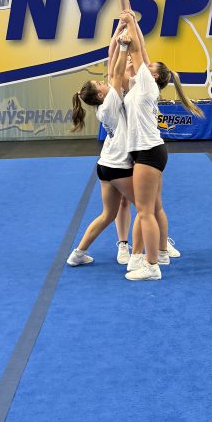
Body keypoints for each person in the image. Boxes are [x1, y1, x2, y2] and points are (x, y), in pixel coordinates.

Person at [67, 21, 170, 274]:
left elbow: (110, 64)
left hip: (104, 165)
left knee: (108, 214)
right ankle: (150, 257)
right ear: (101, 94)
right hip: (119, 166)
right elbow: (115, 69)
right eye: (99, 84)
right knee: (147, 211)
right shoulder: (112, 100)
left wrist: (117, 34)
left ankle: (78, 253)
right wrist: (124, 46)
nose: (104, 82)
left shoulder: (103, 106)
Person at [118, 11, 203, 281]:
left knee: (144, 212)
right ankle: (162, 252)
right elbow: (138, 51)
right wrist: (130, 24)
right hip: (149, 150)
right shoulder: (141, 86)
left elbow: (139, 49)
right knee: (153, 207)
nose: (145, 63)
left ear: (152, 76)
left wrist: (130, 19)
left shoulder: (145, 85)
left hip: (148, 152)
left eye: (149, 65)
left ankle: (151, 265)